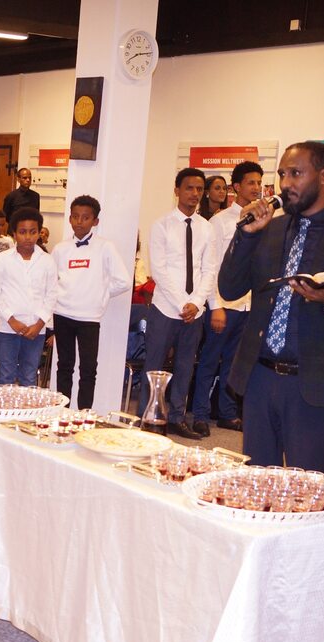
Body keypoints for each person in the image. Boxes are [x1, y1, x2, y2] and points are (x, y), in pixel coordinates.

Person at [218, 141, 324, 473]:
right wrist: (246, 237)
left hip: (314, 383)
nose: (285, 184)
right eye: (283, 174)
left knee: (307, 491)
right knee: (256, 485)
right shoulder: (269, 227)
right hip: (259, 377)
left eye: (296, 173)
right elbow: (229, 288)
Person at [140, 167, 214, 440]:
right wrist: (184, 302)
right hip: (165, 308)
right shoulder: (161, 225)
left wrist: (196, 303)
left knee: (185, 366)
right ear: (177, 191)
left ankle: (176, 418)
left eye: (199, 189)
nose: (195, 194)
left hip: (194, 312)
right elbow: (158, 270)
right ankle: (147, 418)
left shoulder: (207, 228)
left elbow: (210, 270)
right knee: (154, 365)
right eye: (189, 188)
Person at [190, 161, 264, 434]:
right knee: (210, 360)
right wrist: (216, 306)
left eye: (259, 182)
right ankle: (199, 413)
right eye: (251, 183)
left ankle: (227, 412)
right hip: (223, 305)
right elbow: (212, 267)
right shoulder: (220, 222)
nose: (256, 188)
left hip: (248, 305)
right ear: (237, 187)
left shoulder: (263, 219)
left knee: (235, 363)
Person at [50, 195, 131, 408]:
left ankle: (84, 414)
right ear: (69, 219)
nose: (79, 222)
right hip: (62, 314)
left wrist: (101, 294)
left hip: (89, 317)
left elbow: (123, 280)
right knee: (64, 366)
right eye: (75, 217)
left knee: (88, 369)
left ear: (95, 221)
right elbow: (50, 281)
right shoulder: (60, 248)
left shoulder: (105, 247)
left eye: (85, 218)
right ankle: (62, 412)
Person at [0, 207, 56, 388]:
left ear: (39, 233)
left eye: (33, 232)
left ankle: (27, 417)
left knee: (29, 377)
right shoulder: (2, 260)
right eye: (22, 232)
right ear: (14, 234)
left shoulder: (47, 261)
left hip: (36, 329)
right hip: (7, 327)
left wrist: (39, 324)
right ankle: (5, 417)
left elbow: (51, 295)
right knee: (6, 377)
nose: (28, 237)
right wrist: (12, 320)